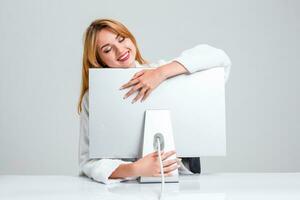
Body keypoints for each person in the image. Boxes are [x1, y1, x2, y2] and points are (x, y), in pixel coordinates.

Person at [78, 18, 231, 184]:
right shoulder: (94, 97)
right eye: (107, 50)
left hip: (185, 181)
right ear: (99, 59)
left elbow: (220, 58)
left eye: (121, 39)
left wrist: (161, 73)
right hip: (125, 189)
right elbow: (88, 161)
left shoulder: (166, 72)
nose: (120, 50)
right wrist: (135, 169)